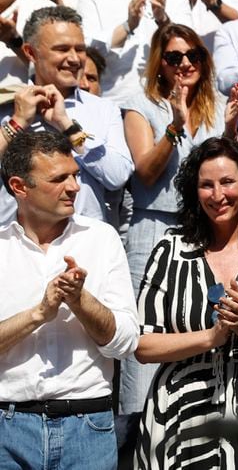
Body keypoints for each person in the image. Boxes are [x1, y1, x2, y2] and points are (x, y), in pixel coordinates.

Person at [118, 23, 238, 434]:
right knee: (151, 327)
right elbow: (147, 172)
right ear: (160, 63)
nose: (185, 63)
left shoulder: (217, 103)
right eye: (174, 57)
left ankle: (199, 424)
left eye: (194, 55)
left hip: (206, 229)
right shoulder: (141, 104)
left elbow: (230, 173)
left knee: (200, 321)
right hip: (153, 225)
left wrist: (230, 129)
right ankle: (141, 432)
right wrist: (174, 126)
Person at [133, 137, 238, 469]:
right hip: (178, 416)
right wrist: (211, 338)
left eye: (227, 181)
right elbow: (142, 346)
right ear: (193, 192)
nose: (217, 195)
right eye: (206, 185)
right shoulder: (170, 250)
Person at [0, 130, 139, 469]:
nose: (75, 186)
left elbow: (126, 342)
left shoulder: (102, 239)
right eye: (59, 178)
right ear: (20, 187)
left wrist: (80, 302)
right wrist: (39, 314)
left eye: (75, 175)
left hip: (88, 428)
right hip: (8, 430)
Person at [0, 6, 134, 226]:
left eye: (79, 49)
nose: (74, 59)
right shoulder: (8, 105)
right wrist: (18, 122)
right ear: (31, 52)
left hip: (83, 243)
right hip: (15, 245)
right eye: (62, 49)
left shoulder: (103, 109)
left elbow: (117, 176)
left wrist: (68, 127)